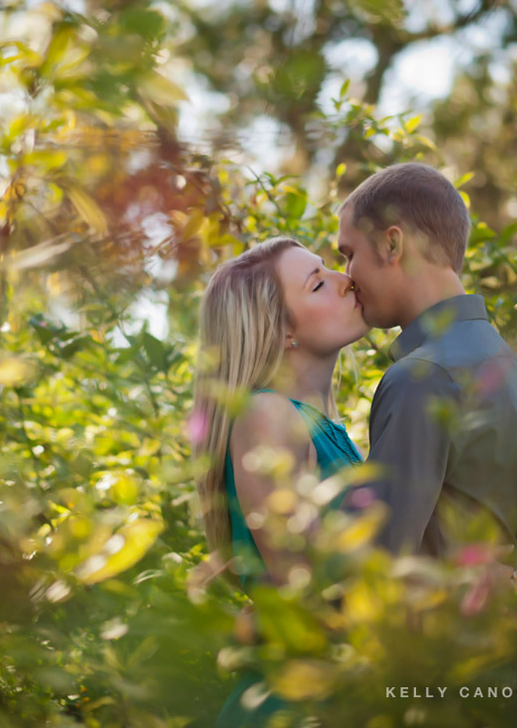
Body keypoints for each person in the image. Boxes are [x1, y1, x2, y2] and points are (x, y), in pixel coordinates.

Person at [190, 236, 368, 726]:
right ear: (281, 328)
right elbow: (307, 588)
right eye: (318, 283)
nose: (346, 279)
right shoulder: (267, 414)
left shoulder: (326, 430)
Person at [334, 162, 517, 559]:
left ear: (392, 245)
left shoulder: (422, 376)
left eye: (349, 254)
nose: (346, 276)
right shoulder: (501, 359)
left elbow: (373, 564)